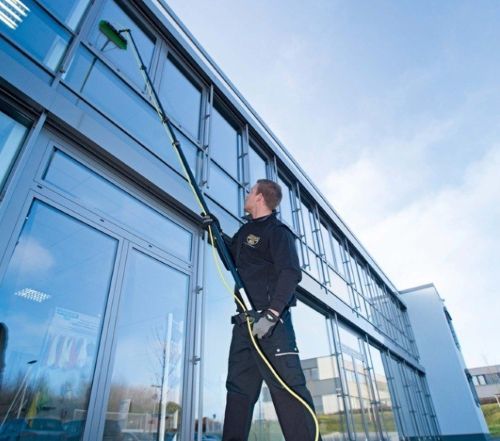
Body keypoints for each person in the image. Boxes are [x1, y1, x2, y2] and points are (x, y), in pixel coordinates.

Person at [203, 179, 320, 441]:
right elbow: (231, 259)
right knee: (238, 393)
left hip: (272, 327)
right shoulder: (246, 233)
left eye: (249, 191)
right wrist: (216, 232)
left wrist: (271, 314)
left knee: (288, 392)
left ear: (259, 197)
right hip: (244, 327)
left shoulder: (277, 232)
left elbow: (290, 273)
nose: (246, 194)